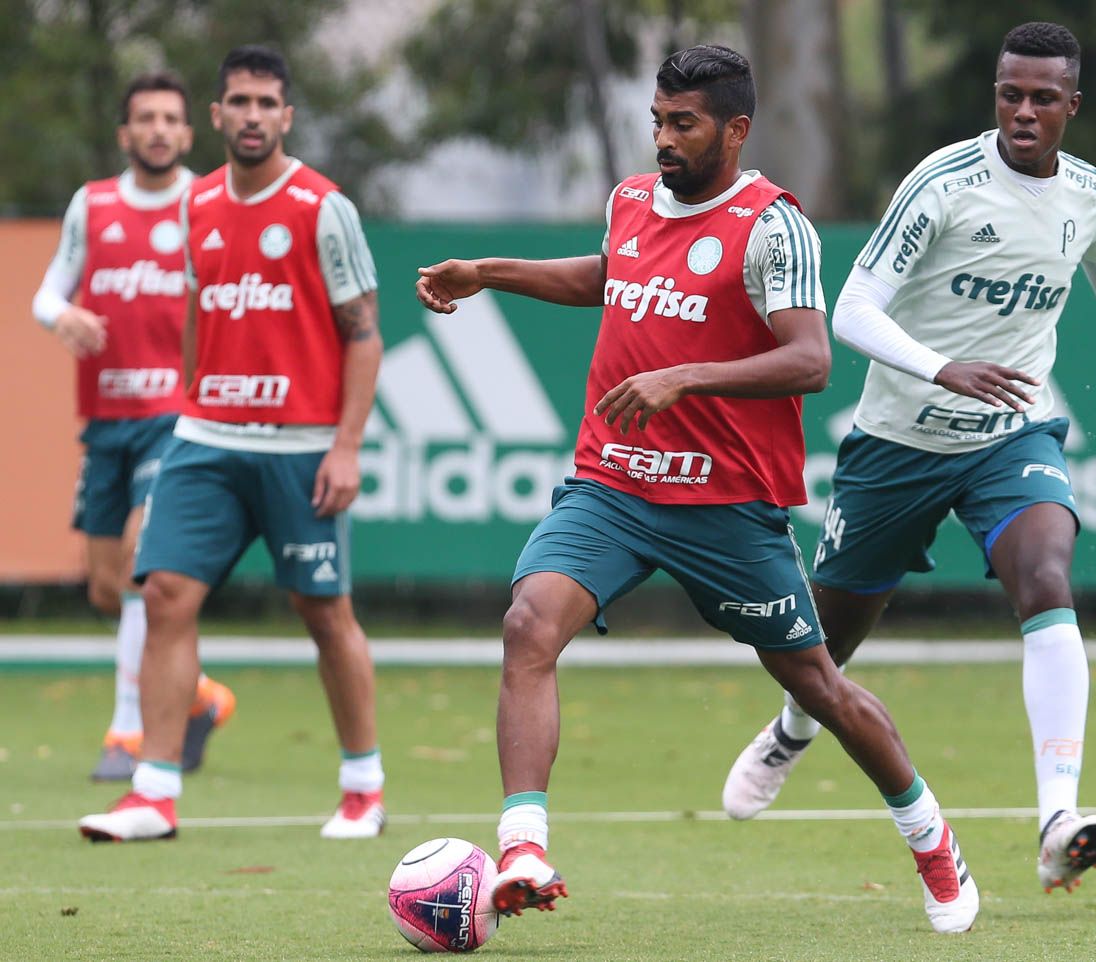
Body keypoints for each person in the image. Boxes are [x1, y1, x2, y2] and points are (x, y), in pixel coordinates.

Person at [719, 21, 1096, 896]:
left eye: (1043, 98)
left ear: (1074, 105)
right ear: (995, 95)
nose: (1024, 111)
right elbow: (852, 310)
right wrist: (941, 367)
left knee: (1046, 579)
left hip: (1011, 433)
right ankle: (793, 730)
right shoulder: (943, 184)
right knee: (827, 641)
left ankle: (1057, 820)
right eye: (1010, 94)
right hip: (899, 443)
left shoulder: (1090, 195)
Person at [415, 44, 981, 934]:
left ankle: (930, 838)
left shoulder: (772, 226)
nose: (665, 139)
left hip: (727, 506)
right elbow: (610, 277)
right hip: (613, 485)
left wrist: (687, 378)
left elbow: (811, 359)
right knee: (528, 624)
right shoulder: (632, 200)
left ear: (735, 129)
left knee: (817, 685)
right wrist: (490, 273)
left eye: (684, 124)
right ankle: (522, 847)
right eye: (658, 121)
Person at [79, 45, 386, 842]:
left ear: (286, 116)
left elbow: (364, 335)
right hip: (205, 439)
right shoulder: (198, 202)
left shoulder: (324, 207)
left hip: (301, 446)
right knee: (163, 594)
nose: (253, 116)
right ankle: (153, 792)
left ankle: (363, 788)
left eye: (266, 103)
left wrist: (346, 446)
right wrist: (190, 401)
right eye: (240, 102)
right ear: (217, 115)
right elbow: (196, 312)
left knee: (323, 611)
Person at [32, 72, 236, 783]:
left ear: (188, 132)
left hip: (175, 418)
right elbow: (46, 292)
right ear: (125, 133)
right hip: (106, 419)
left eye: (170, 119)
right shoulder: (92, 205)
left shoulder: (207, 202)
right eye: (145, 118)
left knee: (141, 568)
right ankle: (199, 695)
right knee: (104, 586)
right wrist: (63, 316)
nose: (158, 129)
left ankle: (127, 731)